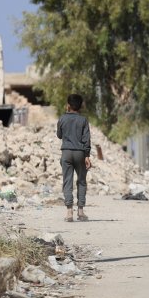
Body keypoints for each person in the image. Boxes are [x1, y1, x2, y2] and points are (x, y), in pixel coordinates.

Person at [57, 93, 92, 222]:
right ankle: (81, 212)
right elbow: (86, 139)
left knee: (67, 181)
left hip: (66, 152)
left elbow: (59, 135)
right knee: (81, 181)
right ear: (80, 106)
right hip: (80, 153)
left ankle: (69, 212)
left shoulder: (62, 118)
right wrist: (87, 156)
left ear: (68, 105)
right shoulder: (83, 120)